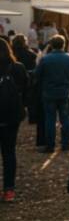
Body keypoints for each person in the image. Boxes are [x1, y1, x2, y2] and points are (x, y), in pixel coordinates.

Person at [34, 35, 69, 153]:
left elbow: (37, 75)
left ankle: (50, 145)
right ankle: (65, 143)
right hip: (64, 92)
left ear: (51, 45)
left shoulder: (46, 59)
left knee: (50, 119)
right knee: (65, 118)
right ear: (64, 45)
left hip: (49, 92)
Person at [0, 38, 28, 202]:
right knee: (9, 152)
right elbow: (26, 87)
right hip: (11, 117)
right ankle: (9, 190)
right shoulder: (17, 68)